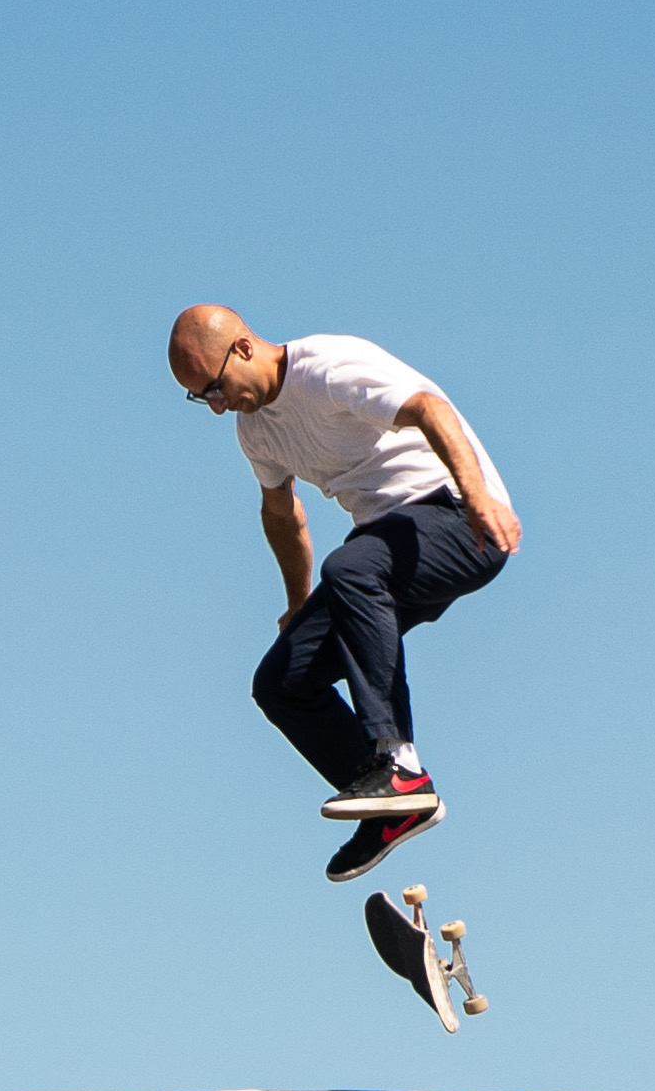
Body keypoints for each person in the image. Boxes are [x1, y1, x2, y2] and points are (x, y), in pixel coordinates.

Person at [167, 305, 522, 882]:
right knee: (281, 682)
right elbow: (282, 514)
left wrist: (478, 495)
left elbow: (430, 409)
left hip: (460, 518)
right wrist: (296, 601)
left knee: (352, 567)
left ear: (244, 349)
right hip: (384, 553)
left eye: (215, 387)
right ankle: (395, 810)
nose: (217, 404)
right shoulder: (256, 431)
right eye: (200, 399)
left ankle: (398, 762)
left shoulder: (327, 367)